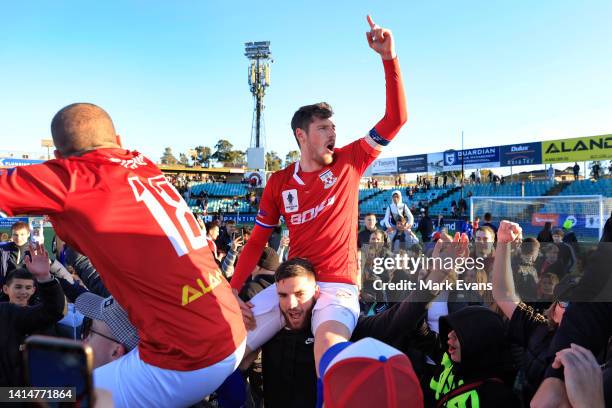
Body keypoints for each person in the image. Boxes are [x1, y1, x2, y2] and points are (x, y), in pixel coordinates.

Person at [0, 103, 246, 407]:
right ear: (118, 139)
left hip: (188, 357)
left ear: (58, 159)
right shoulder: (143, 163)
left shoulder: (73, 177)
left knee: (49, 399)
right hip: (228, 324)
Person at [230, 15, 407, 376]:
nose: (333, 133)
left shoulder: (351, 160)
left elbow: (395, 119)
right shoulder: (279, 182)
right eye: (324, 128)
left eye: (334, 127)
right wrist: (233, 290)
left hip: (337, 288)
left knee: (328, 350)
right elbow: (256, 242)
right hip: (293, 285)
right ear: (302, 135)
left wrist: (389, 57)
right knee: (232, 346)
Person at [0, 244, 66, 386]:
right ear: (5, 289)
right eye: (18, 287)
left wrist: (44, 277)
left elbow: (53, 310)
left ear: (34, 290)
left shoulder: (30, 315)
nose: (23, 292)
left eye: (28, 287)